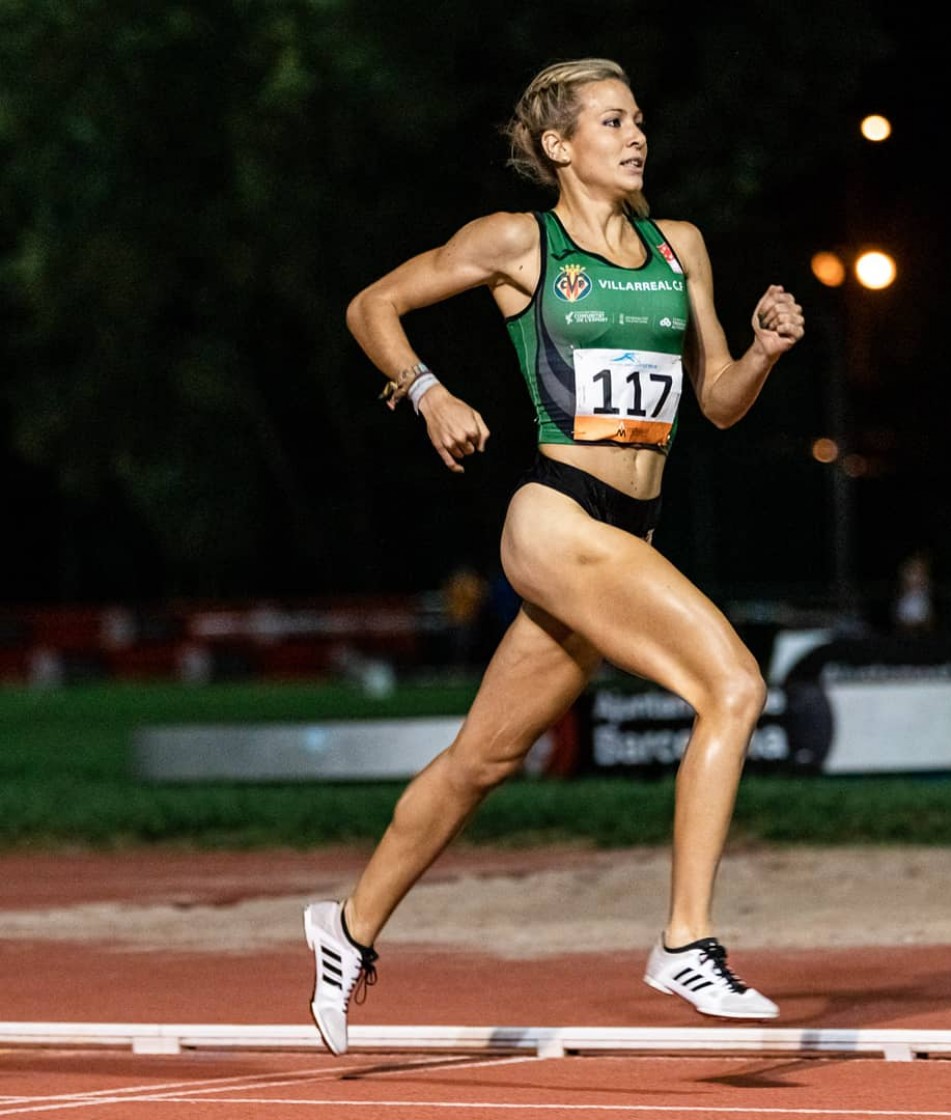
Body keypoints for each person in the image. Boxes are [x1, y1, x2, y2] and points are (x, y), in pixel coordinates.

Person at [303, 57, 806, 1055]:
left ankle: (346, 925)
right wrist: (427, 393)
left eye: (639, 119)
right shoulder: (516, 243)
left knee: (481, 759)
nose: (636, 136)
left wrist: (760, 353)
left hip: (628, 538)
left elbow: (713, 404)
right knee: (733, 687)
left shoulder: (681, 248)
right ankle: (685, 938)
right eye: (611, 121)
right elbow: (373, 308)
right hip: (556, 518)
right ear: (558, 146)